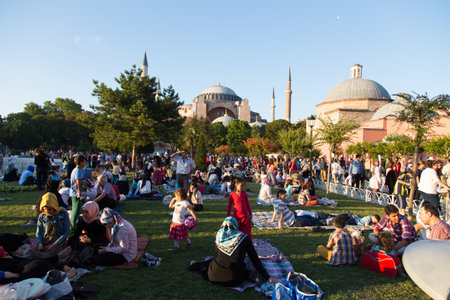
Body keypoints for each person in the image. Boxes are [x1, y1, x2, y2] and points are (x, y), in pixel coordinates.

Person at [188, 217, 275, 287]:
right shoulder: (243, 238)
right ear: (235, 226)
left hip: (213, 276)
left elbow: (218, 255)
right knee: (248, 265)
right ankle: (258, 278)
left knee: (212, 261)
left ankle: (195, 265)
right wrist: (267, 277)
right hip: (234, 279)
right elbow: (254, 259)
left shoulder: (219, 236)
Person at [35, 192, 70, 259]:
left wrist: (54, 244)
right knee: (36, 255)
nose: (48, 212)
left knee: (49, 256)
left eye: (50, 209)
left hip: (58, 240)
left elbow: (66, 232)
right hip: (46, 238)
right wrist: (40, 243)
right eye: (45, 209)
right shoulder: (42, 216)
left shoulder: (63, 213)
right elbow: (39, 232)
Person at [169, 188, 197, 253]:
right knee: (175, 236)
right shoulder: (176, 203)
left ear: (180, 196)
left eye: (176, 196)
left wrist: (194, 216)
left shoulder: (185, 203)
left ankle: (188, 243)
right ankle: (176, 247)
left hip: (181, 223)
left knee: (184, 235)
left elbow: (190, 209)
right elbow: (170, 206)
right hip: (174, 223)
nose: (175, 197)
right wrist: (173, 200)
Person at [70, 155, 87, 233]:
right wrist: (85, 186)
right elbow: (78, 182)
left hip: (77, 193)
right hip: (76, 193)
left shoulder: (79, 170)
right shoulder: (77, 171)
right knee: (76, 210)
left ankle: (77, 224)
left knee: (79, 209)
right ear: (80, 163)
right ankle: (73, 227)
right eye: (84, 162)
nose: (85, 163)